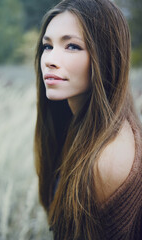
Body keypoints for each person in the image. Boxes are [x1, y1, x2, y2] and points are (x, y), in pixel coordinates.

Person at [34, 0, 142, 239]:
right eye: (47, 46)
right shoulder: (89, 125)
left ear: (106, 56)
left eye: (72, 46)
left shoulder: (105, 161)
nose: (50, 59)